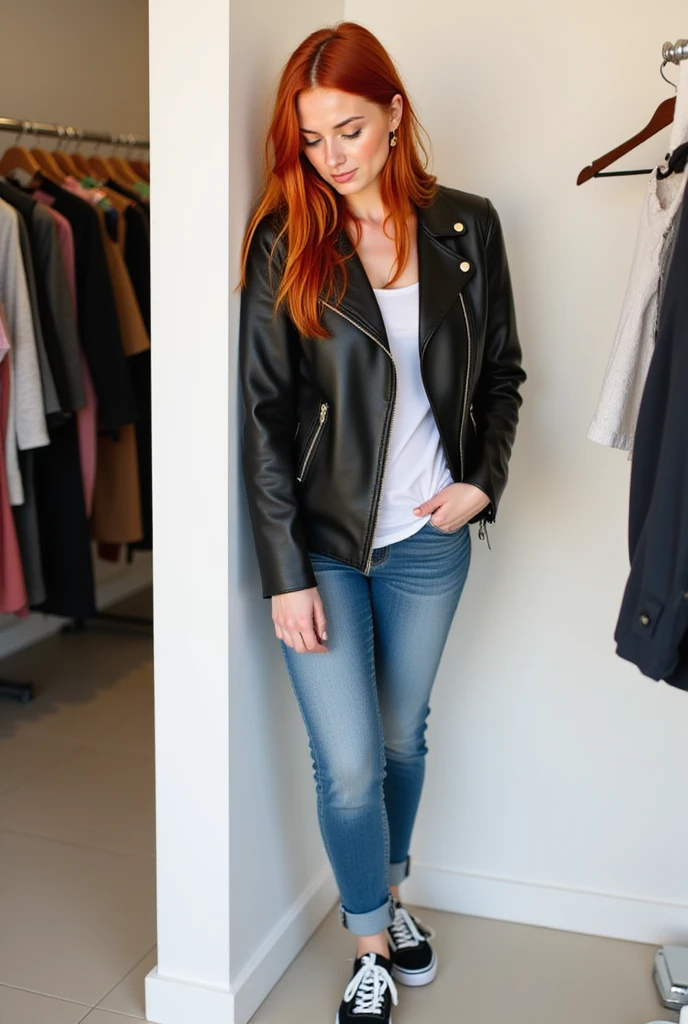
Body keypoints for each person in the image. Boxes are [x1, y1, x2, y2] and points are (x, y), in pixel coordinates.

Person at [239, 21, 526, 1023]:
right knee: (349, 760)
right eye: (313, 139)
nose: (332, 157)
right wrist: (281, 572)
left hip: (427, 542)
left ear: (395, 115)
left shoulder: (467, 229)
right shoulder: (289, 240)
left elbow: (501, 377)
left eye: (349, 130)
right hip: (319, 547)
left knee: (403, 738)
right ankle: (369, 935)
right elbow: (264, 418)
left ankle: (390, 892)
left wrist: (479, 483)